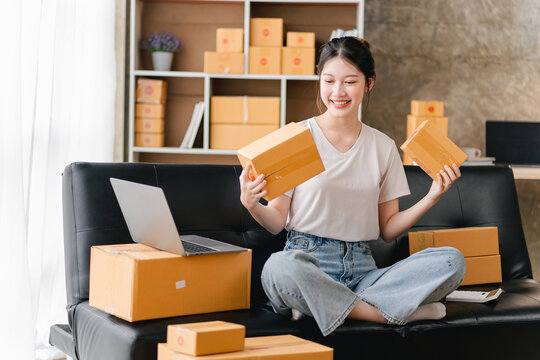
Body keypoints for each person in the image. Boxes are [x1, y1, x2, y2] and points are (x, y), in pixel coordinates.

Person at [238, 36, 466, 336]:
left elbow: (387, 229)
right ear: (319, 80)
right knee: (278, 268)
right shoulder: (296, 139)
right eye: (329, 80)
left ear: (368, 83)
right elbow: (276, 222)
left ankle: (329, 307)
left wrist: (432, 196)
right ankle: (382, 314)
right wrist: (252, 203)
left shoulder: (383, 146)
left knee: (452, 260)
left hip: (363, 271)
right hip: (307, 263)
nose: (337, 92)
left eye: (350, 81)